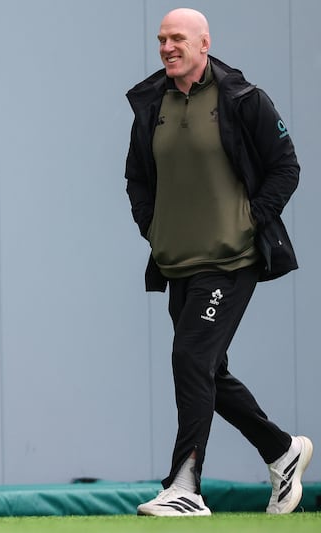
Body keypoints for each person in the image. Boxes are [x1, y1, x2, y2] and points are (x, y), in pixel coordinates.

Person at [124, 8, 312, 517]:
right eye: (161, 39)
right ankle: (281, 450)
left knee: (190, 360)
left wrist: (248, 221)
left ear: (204, 43)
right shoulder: (151, 104)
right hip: (176, 264)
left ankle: (185, 484)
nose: (167, 47)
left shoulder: (242, 99)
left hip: (231, 261)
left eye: (177, 38)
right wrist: (153, 227)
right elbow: (136, 179)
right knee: (206, 370)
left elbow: (285, 167)